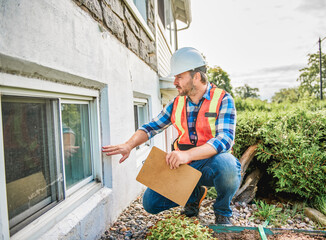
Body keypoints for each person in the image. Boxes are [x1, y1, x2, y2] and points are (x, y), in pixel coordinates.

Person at [102, 47, 241, 225]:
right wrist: (129, 145)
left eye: (179, 76)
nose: (174, 82)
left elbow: (225, 139)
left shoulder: (223, 99)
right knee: (150, 203)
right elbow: (151, 127)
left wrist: (187, 155)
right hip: (182, 164)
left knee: (228, 165)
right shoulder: (177, 102)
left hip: (210, 163)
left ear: (196, 76)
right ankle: (194, 197)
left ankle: (222, 211)